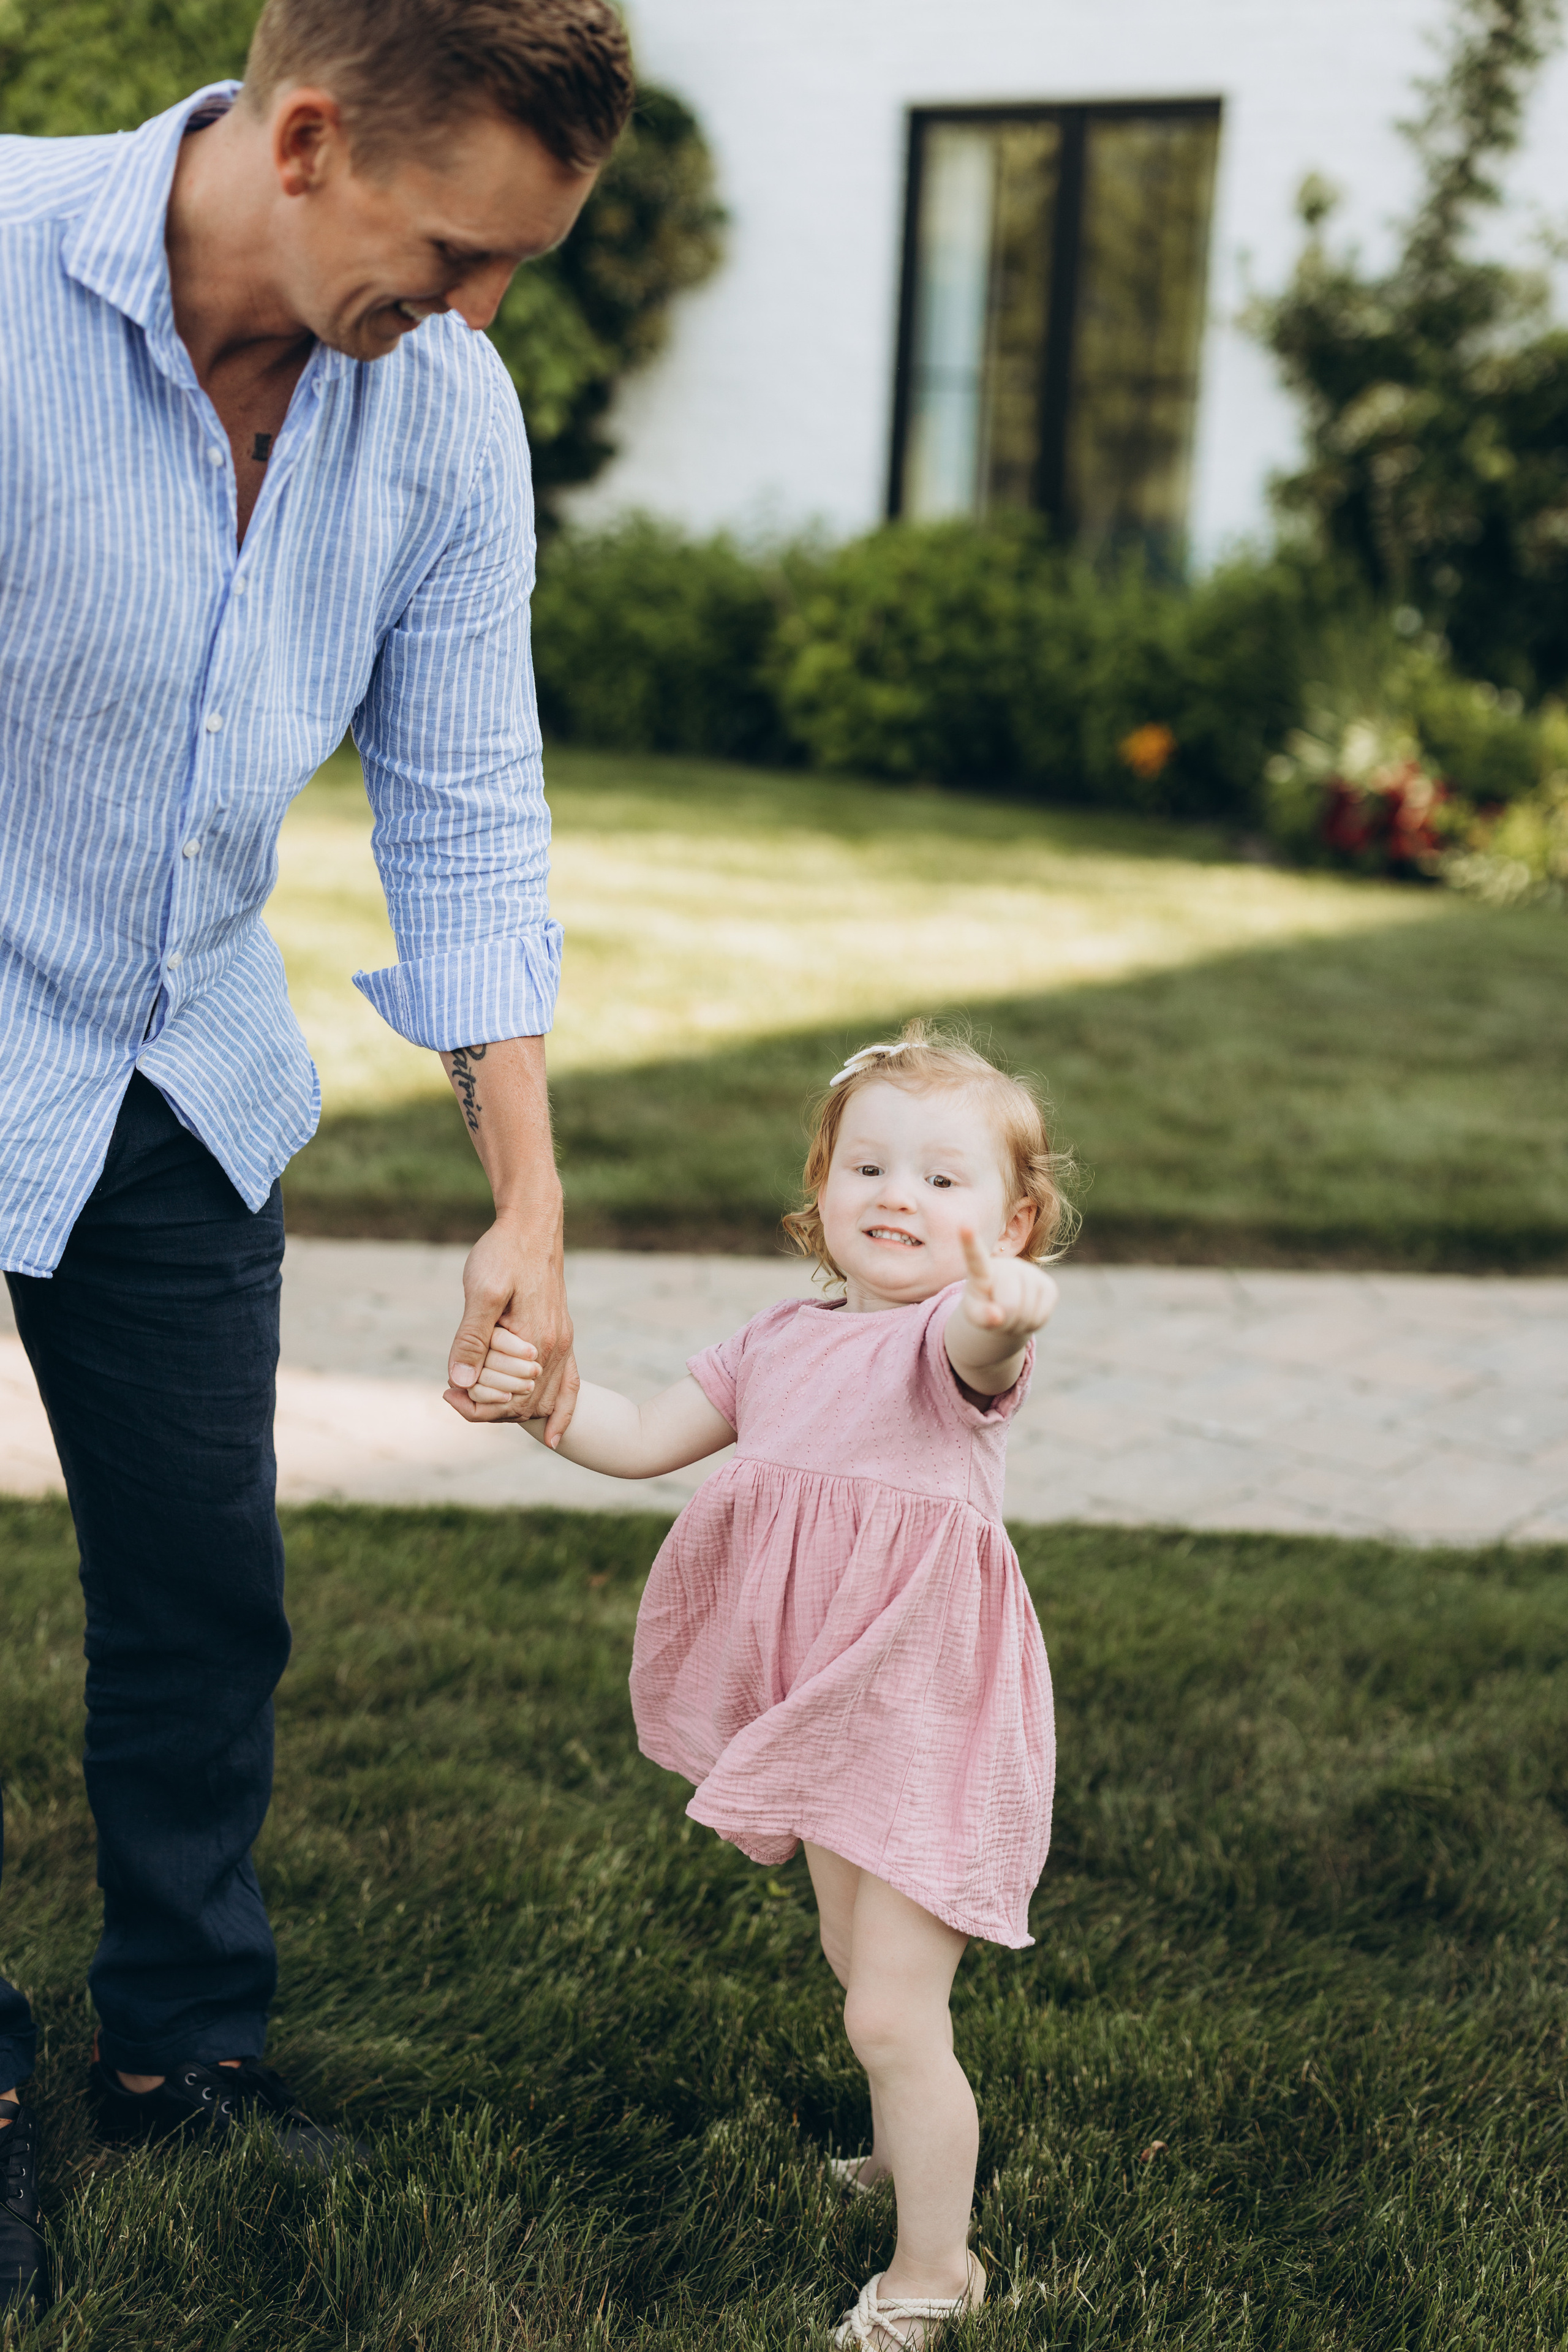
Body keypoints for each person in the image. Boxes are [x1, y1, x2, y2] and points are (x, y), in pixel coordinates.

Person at [0, 0, 630, 2309]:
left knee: (203, 1597)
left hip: (181, 1064)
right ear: (302, 138)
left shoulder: (438, 413)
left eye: (515, 274)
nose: (475, 318)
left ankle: (182, 2049)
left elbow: (468, 801)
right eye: (457, 253)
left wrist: (529, 1196)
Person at [471, 1025, 1072, 2350]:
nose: (896, 1198)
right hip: (826, 1711)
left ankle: (936, 2271)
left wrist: (1001, 1309)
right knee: (846, 1953)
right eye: (867, 1167)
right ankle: (888, 2152)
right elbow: (633, 1440)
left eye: (942, 1179)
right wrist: (541, 1403)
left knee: (891, 2010)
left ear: (1012, 1220)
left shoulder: (944, 1345)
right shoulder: (777, 1342)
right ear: (820, 1188)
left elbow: (983, 1355)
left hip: (919, 1712)